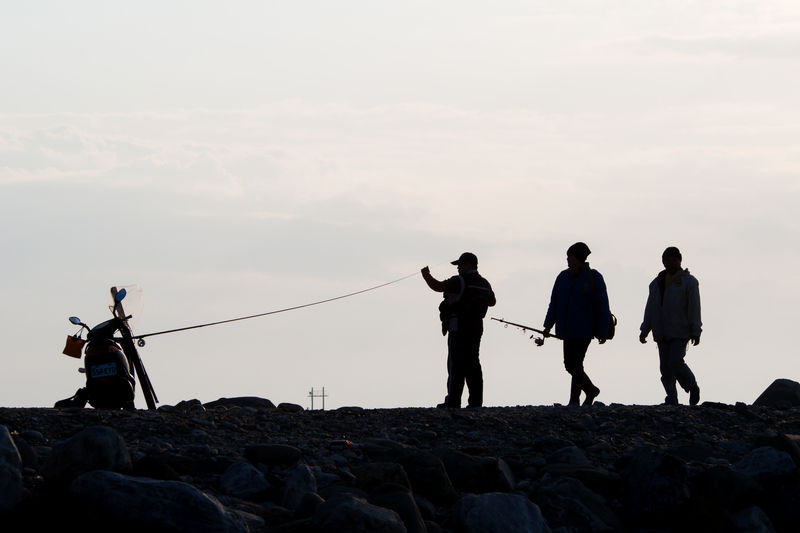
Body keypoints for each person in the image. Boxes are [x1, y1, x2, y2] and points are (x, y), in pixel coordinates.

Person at [421, 252, 496, 408]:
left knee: (456, 364)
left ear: (468, 265)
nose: (458, 269)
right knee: (473, 363)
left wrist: (426, 275)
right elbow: (492, 301)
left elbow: (438, 286)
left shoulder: (459, 281)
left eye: (460, 265)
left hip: (459, 326)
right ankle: (476, 402)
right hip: (477, 327)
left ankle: (453, 401)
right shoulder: (485, 284)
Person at [543, 242, 611, 406]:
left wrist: (603, 331)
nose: (567, 259)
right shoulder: (562, 277)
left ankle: (574, 401)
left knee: (576, 364)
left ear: (579, 258)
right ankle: (591, 390)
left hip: (584, 329)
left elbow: (603, 306)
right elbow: (554, 303)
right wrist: (548, 326)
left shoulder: (594, 278)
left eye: (570, 256)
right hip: (566, 330)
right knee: (569, 365)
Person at [640, 246, 702, 406]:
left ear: (680, 261)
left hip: (680, 330)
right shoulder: (656, 284)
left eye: (674, 259)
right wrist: (645, 329)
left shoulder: (689, 281)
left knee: (675, 361)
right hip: (662, 332)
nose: (671, 262)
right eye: (668, 260)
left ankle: (692, 387)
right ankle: (671, 398)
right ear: (663, 262)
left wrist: (696, 330)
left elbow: (694, 307)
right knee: (665, 369)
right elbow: (650, 308)